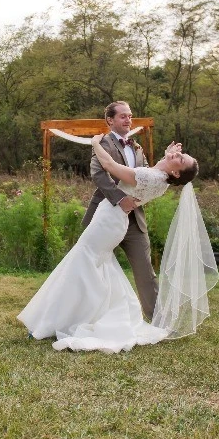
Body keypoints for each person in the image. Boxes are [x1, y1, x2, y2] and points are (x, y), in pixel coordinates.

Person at [17, 130, 208, 353]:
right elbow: (154, 169)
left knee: (80, 264)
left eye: (181, 159)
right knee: (93, 266)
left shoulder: (152, 178)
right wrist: (168, 155)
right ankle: (79, 315)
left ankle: (57, 320)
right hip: (112, 219)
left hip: (109, 221)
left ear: (176, 172)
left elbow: (109, 165)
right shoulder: (160, 178)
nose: (178, 155)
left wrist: (95, 143)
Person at [81, 101, 163, 320]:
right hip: (106, 217)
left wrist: (138, 199)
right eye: (123, 116)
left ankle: (157, 319)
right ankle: (84, 317)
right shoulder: (102, 144)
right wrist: (120, 199)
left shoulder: (137, 147)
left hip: (134, 220)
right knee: (91, 269)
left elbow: (145, 176)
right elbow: (99, 174)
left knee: (146, 272)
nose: (129, 120)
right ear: (110, 120)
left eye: (130, 116)